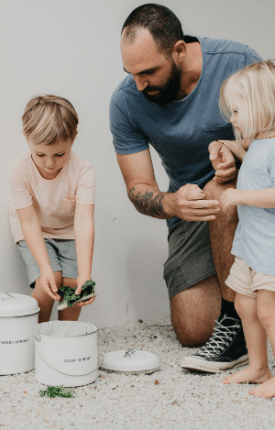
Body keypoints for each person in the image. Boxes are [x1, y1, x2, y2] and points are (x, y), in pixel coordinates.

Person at [109, 3, 262, 372]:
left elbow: (271, 137)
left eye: (148, 72)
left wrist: (237, 154)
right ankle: (246, 307)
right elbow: (139, 188)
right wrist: (173, 204)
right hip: (188, 209)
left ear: (179, 50)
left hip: (251, 193)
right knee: (193, 328)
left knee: (218, 189)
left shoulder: (238, 61)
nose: (140, 84)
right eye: (131, 74)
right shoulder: (126, 101)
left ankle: (236, 326)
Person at [9, 95, 95, 323]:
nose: (50, 163)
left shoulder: (83, 170)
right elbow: (28, 222)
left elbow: (84, 221)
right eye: (40, 154)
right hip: (33, 228)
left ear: (74, 138)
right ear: (26, 138)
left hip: (67, 230)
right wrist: (45, 268)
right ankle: (38, 333)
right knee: (50, 280)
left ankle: (66, 334)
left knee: (74, 284)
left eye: (59, 154)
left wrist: (85, 274)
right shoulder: (19, 171)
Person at [217, 60, 275, 398]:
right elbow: (248, 152)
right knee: (244, 305)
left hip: (270, 250)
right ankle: (257, 366)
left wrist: (239, 195)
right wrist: (226, 145)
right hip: (251, 246)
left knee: (269, 312)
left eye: (236, 111)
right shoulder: (259, 143)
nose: (232, 119)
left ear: (261, 107)